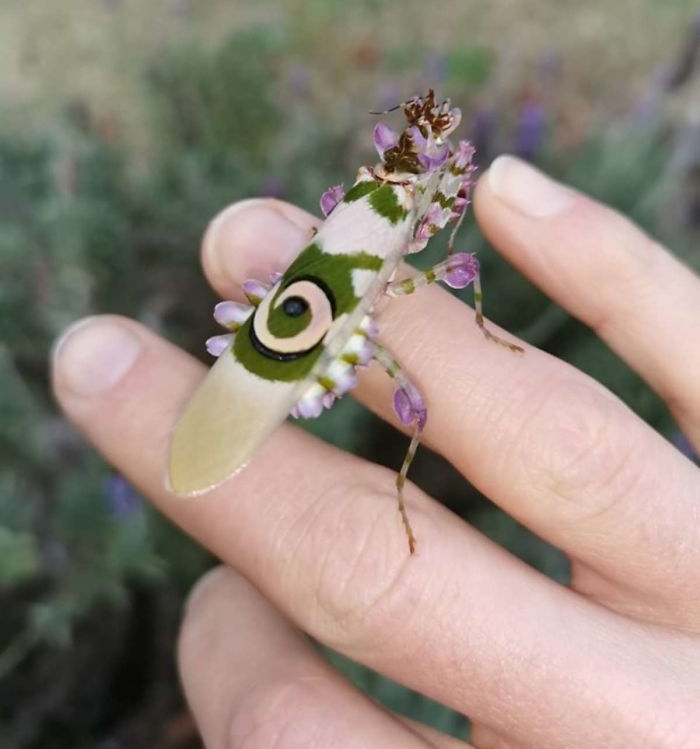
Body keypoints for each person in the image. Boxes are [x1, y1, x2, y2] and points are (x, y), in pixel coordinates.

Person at [51, 156, 700, 748]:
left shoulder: (388, 209)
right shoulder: (380, 208)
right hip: (316, 332)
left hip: (326, 332)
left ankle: (382, 486)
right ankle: (376, 480)